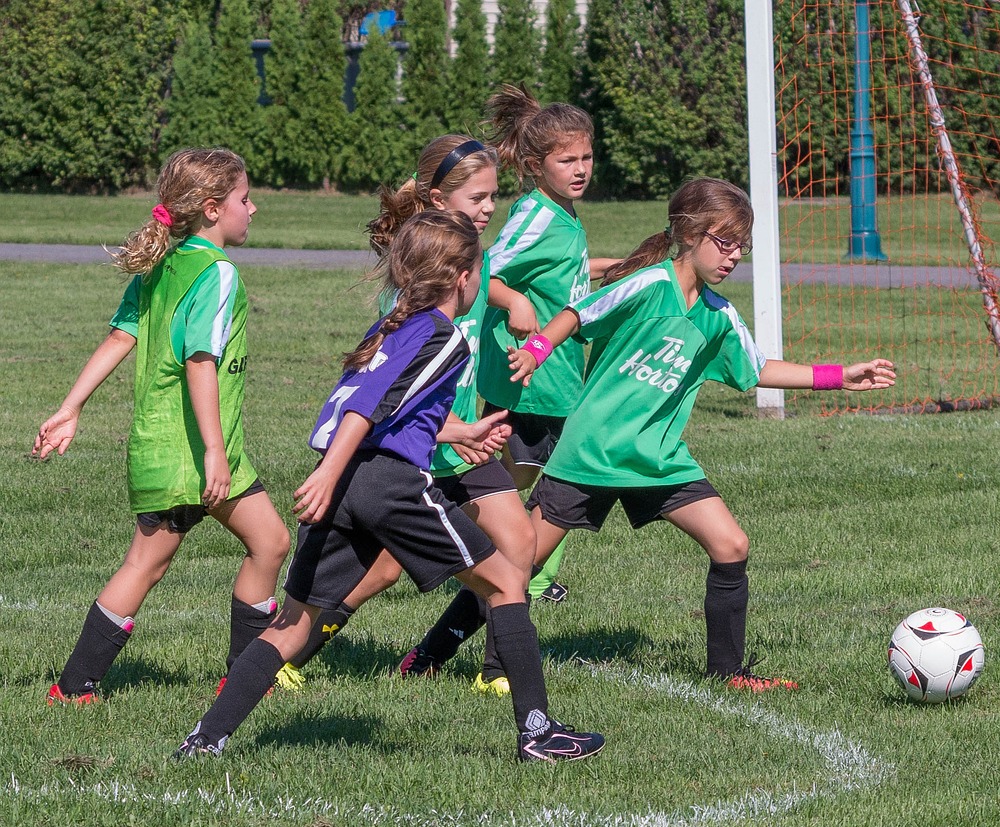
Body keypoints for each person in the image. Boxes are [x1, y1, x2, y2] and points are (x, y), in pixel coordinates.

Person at [174, 209, 604, 762]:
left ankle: (205, 738)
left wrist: (460, 431)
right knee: (505, 582)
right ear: (461, 278)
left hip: (354, 476)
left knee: (292, 622)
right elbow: (366, 408)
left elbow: (379, 411)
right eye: (479, 269)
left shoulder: (393, 327)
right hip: (385, 483)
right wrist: (328, 474)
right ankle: (539, 732)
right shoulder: (443, 337)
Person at [506, 177, 897, 692]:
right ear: (688, 234)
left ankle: (727, 674)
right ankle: (448, 656)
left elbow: (756, 369)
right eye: (724, 242)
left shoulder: (718, 316)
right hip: (592, 453)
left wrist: (838, 375)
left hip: (657, 459)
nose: (734, 256)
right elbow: (579, 313)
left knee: (731, 543)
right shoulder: (648, 284)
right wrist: (536, 350)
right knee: (520, 560)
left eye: (742, 246)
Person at [273, 136, 536, 697]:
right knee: (382, 568)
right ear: (439, 200)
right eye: (479, 197)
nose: (490, 208)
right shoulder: (410, 286)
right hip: (410, 445)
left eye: (494, 197)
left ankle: (498, 673)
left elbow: (484, 289)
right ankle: (291, 652)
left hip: (459, 434)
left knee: (518, 543)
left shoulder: (473, 261)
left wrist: (513, 302)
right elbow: (385, 394)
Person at [35, 148, 291, 704]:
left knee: (145, 564)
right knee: (270, 542)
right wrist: (217, 453)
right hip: (196, 452)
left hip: (157, 447)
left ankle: (74, 686)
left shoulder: (163, 267)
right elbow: (202, 361)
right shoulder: (218, 274)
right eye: (245, 198)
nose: (255, 207)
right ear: (212, 209)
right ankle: (244, 680)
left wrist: (70, 406)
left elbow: (119, 338)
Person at [474, 83, 616, 616]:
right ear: (536, 165)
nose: (581, 168)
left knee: (547, 477)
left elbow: (561, 271)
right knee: (531, 479)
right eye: (567, 160)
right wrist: (513, 302)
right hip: (529, 376)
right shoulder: (535, 215)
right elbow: (477, 270)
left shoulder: (564, 213)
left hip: (556, 375)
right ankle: (504, 567)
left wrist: (614, 269)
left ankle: (519, 568)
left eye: (586, 156)